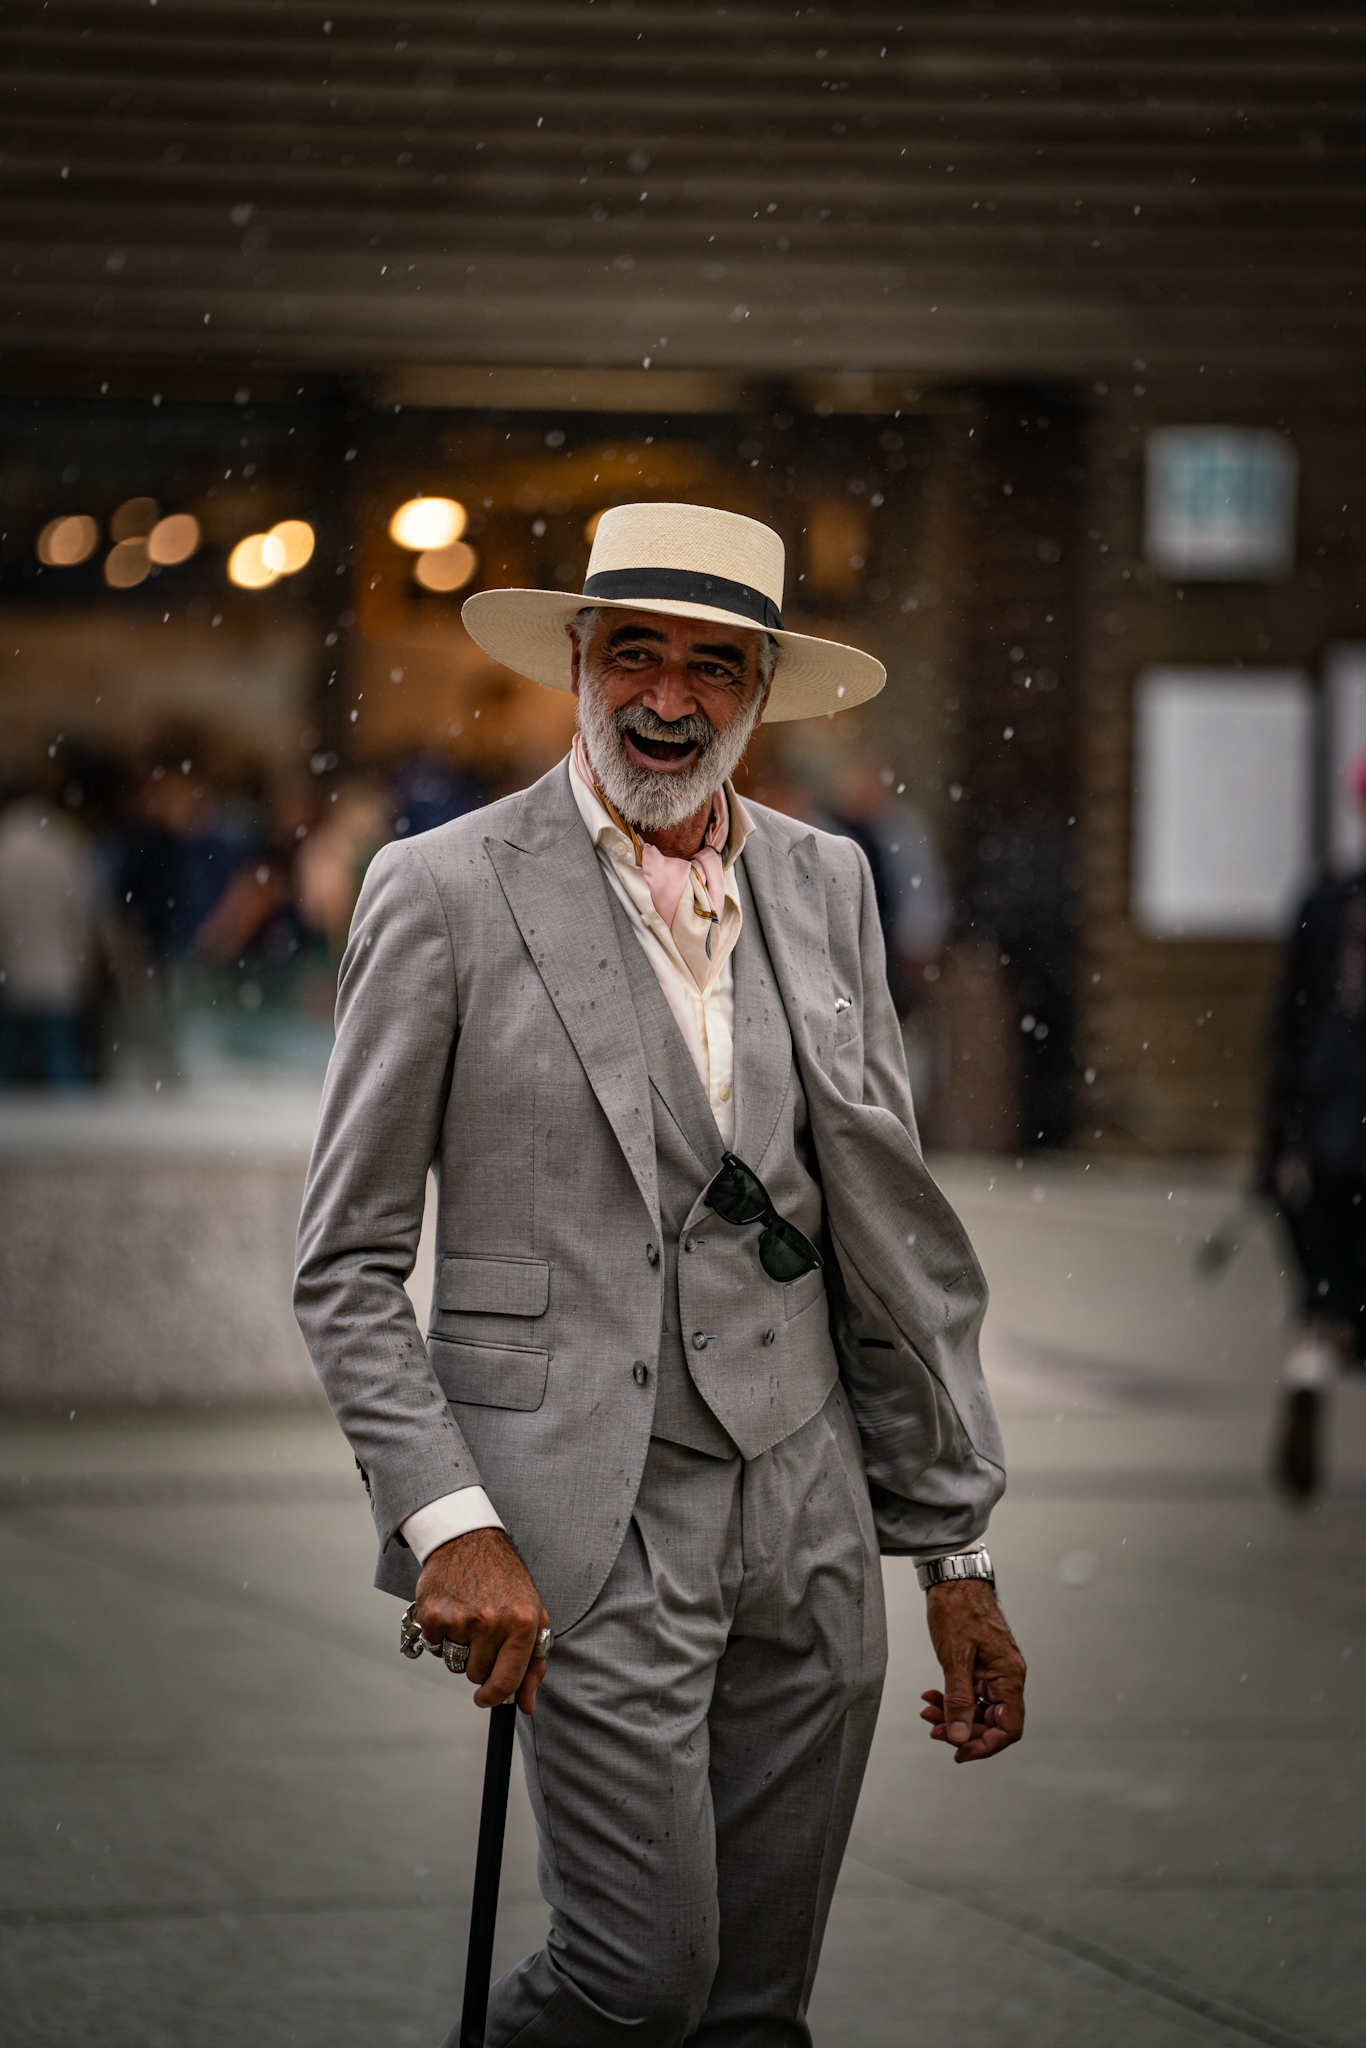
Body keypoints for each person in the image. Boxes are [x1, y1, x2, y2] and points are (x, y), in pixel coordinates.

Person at [294, 503, 1026, 2047]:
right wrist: (451, 1521)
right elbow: (347, 1264)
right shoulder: (441, 889)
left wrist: (950, 1550)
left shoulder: (827, 882)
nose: (669, 700)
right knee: (638, 1982)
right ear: (577, 659)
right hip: (583, 1518)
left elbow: (884, 1239)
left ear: (763, 690)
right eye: (635, 653)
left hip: (809, 1503)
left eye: (714, 666)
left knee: (757, 2010)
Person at [1266, 749, 1366, 1500]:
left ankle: (1311, 1357)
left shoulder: (1330, 899)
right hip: (1337, 1113)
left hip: (1330, 1119)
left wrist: (1276, 1137)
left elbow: (1289, 1026)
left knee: (1325, 1282)